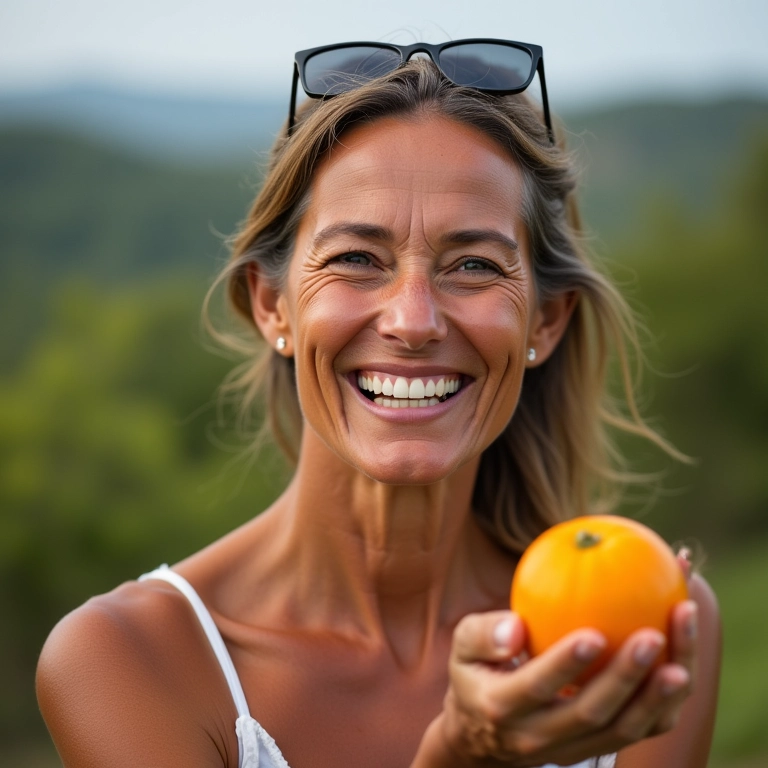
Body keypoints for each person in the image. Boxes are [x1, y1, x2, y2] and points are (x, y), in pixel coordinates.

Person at [36, 40, 721, 768]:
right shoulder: (129, 659)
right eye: (357, 259)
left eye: (474, 265)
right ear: (272, 306)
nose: (413, 321)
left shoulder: (639, 633)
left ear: (545, 321)